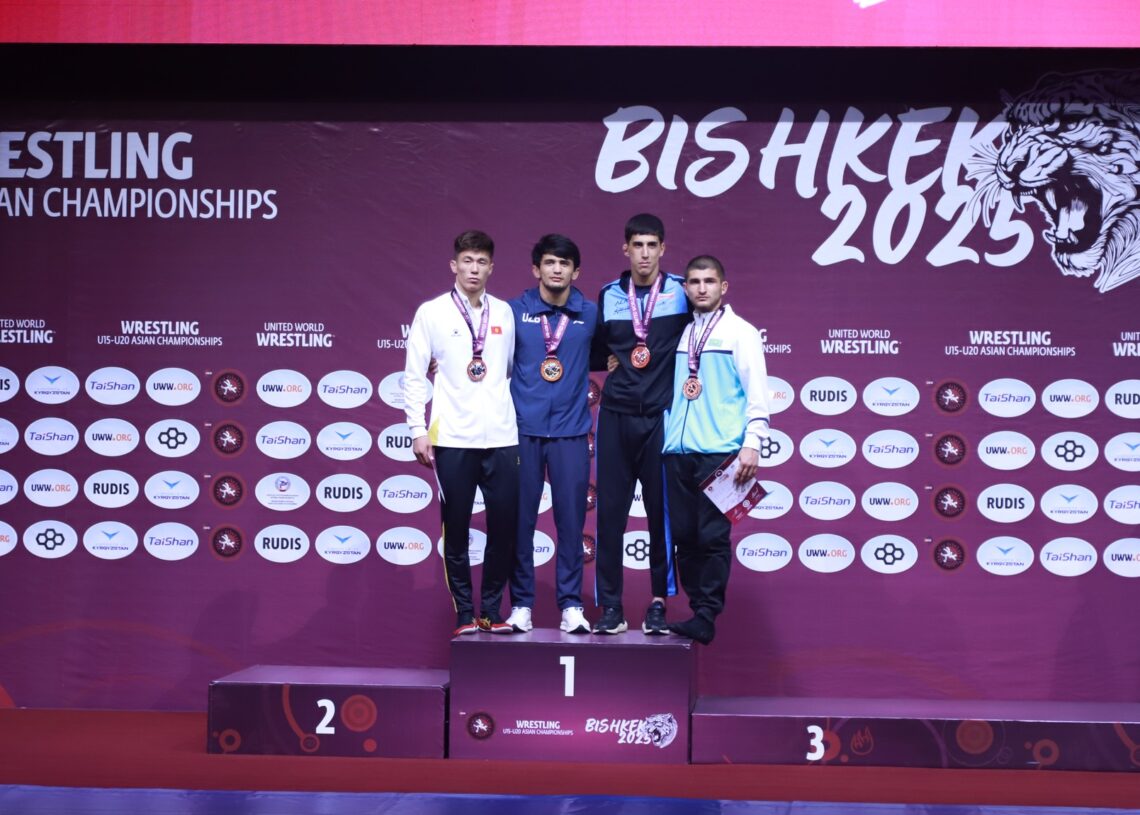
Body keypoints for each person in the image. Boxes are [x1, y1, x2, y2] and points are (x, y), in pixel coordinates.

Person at [403, 230, 519, 637]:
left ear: (491, 268)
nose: (474, 269)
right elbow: (414, 375)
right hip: (452, 438)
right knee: (455, 528)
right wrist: (417, 429)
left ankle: (491, 611)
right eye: (467, 261)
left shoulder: (504, 312)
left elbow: (508, 370)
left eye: (481, 262)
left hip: (502, 437)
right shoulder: (432, 312)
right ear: (454, 265)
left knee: (503, 527)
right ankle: (465, 613)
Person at [590, 213, 692, 635]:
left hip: (661, 417)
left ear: (663, 249)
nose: (645, 253)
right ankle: (611, 608)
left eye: (652, 245)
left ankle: (657, 604)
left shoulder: (682, 293)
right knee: (609, 515)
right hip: (615, 417)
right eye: (638, 245)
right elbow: (592, 351)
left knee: (660, 515)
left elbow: (704, 338)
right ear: (626, 249)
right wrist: (609, 361)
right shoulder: (609, 295)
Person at [662, 255, 770, 645]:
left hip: (720, 452)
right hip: (677, 451)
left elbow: (758, 394)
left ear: (723, 287)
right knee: (684, 536)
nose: (702, 288)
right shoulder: (680, 333)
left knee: (711, 537)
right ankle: (696, 611)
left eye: (709, 281)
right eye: (694, 282)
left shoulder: (741, 333)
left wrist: (752, 444)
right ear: (685, 288)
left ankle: (707, 613)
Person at [505, 234, 596, 635]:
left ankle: (571, 605)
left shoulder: (591, 314)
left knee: (571, 523)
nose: (557, 269)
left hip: (571, 433)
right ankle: (521, 604)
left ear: (576, 272)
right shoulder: (514, 311)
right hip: (522, 431)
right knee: (520, 522)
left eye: (564, 263)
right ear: (536, 269)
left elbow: (619, 350)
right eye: (549, 262)